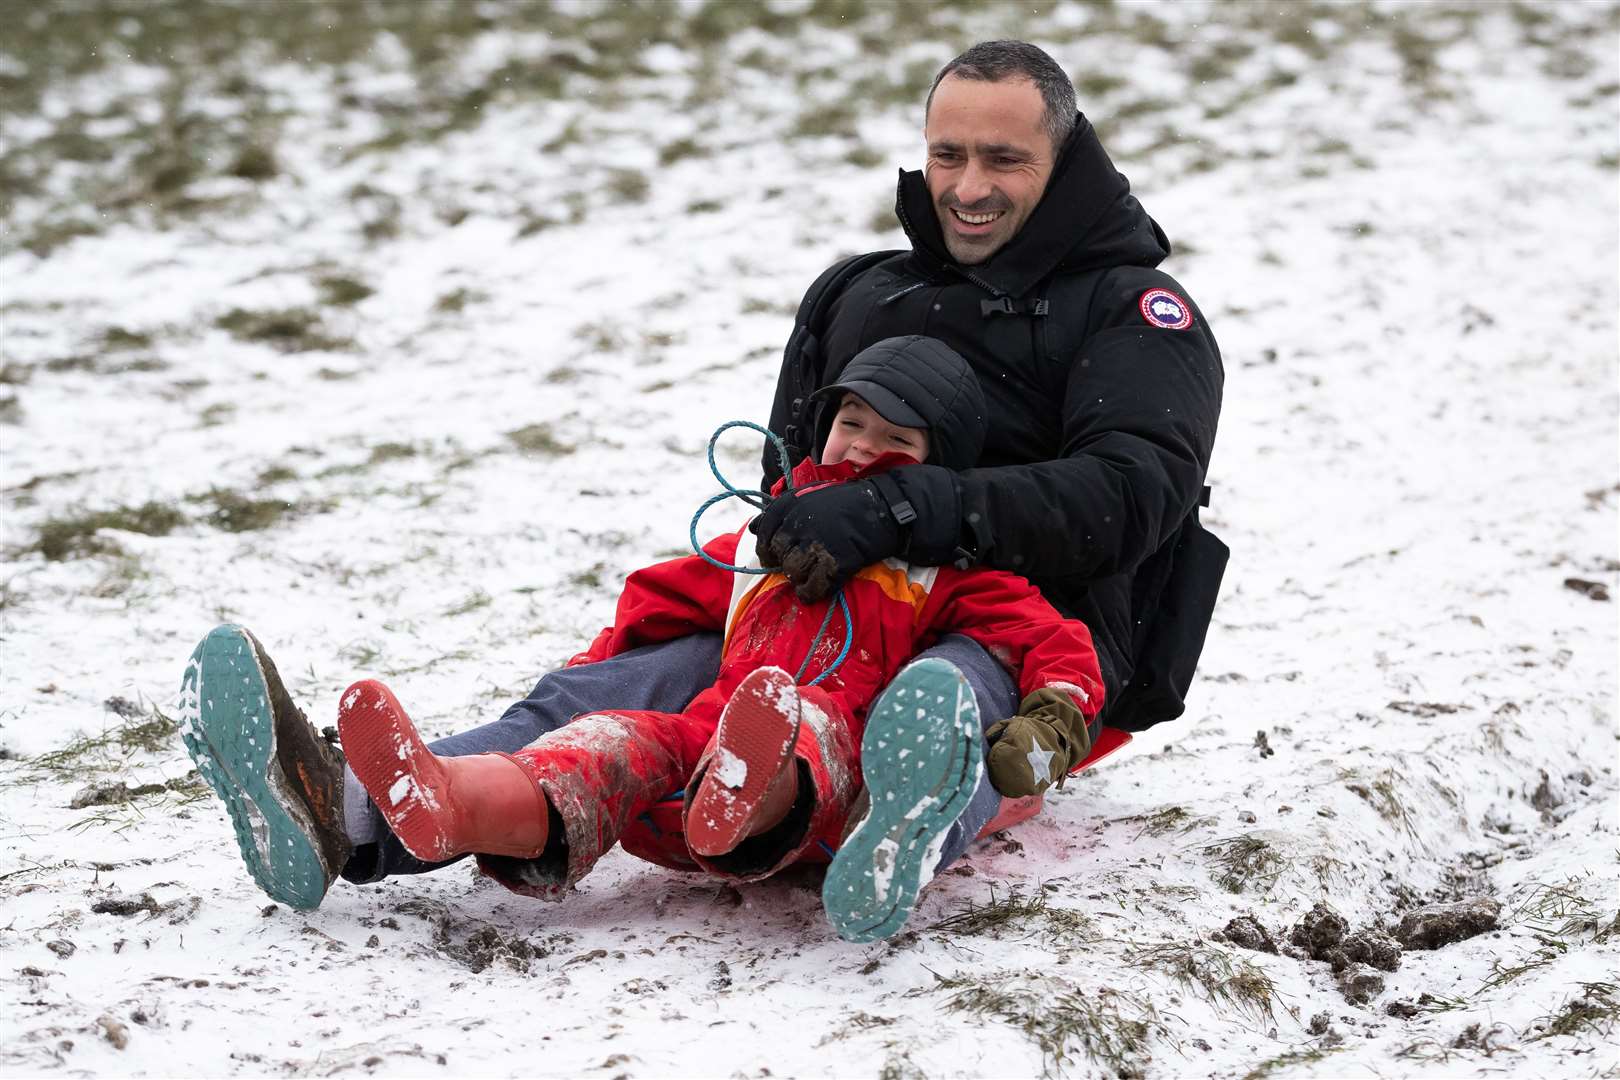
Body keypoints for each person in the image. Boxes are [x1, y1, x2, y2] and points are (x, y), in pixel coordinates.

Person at [179, 39, 1225, 939]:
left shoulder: (1133, 314)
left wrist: (902, 511)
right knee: (589, 703)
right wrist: (751, 571)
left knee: (928, 708)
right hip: (824, 619)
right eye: (948, 153)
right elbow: (788, 480)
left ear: (1066, 158)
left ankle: (885, 822)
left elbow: (1132, 495)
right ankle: (346, 807)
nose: (966, 185)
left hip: (1011, 643)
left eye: (1006, 158)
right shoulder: (866, 292)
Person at [182, 338, 1105, 943]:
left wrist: (1052, 721)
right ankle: (448, 800)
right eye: (849, 424)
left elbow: (1049, 640)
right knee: (601, 745)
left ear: (940, 470)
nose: (861, 448)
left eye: (894, 438)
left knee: (806, 721)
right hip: (701, 744)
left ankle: (804, 807)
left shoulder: (945, 574)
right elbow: (656, 602)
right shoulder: (764, 553)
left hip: (821, 760)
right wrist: (589, 681)